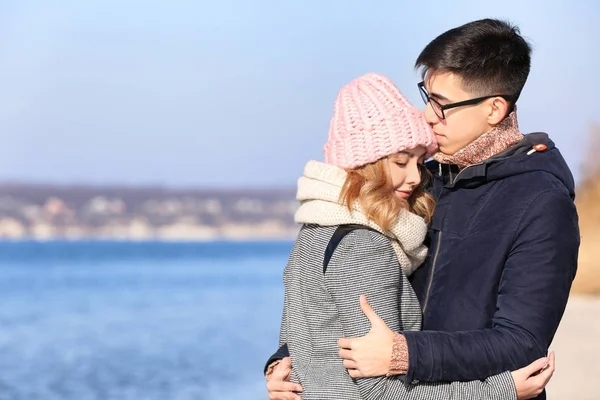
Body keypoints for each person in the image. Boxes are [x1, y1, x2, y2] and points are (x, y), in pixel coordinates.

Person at [266, 19, 577, 400]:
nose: (428, 115)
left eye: (442, 104)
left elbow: (523, 344)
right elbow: (328, 284)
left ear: (495, 108)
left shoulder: (541, 201)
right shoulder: (421, 180)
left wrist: (406, 354)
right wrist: (287, 360)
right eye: (426, 97)